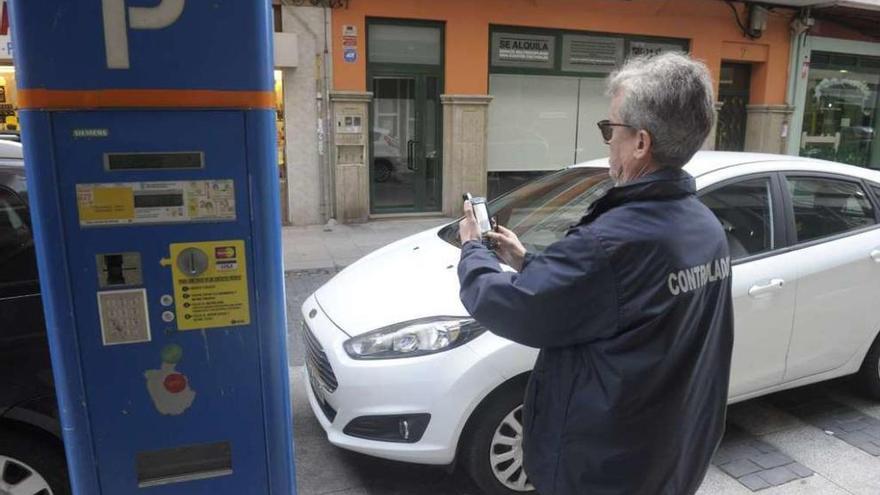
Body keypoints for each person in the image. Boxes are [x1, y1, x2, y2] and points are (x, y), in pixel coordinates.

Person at [457, 52, 734, 495]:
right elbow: (617, 303)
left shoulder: (613, 241)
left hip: (605, 468)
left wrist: (473, 249)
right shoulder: (704, 226)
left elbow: (515, 309)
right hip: (672, 453)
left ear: (641, 142)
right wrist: (527, 262)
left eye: (610, 129)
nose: (607, 141)